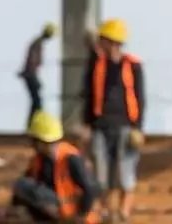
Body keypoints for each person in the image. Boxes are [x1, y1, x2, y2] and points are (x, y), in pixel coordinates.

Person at [81, 19, 146, 223]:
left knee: (125, 171)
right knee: (101, 174)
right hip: (100, 127)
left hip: (126, 127)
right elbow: (89, 95)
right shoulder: (95, 64)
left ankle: (124, 212)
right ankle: (106, 211)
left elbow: (140, 97)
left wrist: (138, 127)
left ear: (113, 42)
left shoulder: (132, 65)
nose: (100, 43)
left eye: (103, 39)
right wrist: (87, 125)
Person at [10, 110, 100, 223]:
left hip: (74, 215)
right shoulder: (39, 159)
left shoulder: (70, 158)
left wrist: (80, 216)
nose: (33, 145)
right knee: (23, 185)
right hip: (59, 210)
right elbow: (28, 183)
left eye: (35, 141)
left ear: (42, 141)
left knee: (24, 185)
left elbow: (91, 189)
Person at [18, 22, 57, 128]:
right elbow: (32, 62)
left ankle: (33, 123)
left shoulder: (37, 42)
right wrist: (33, 77)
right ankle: (34, 124)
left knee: (36, 100)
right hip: (31, 74)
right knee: (37, 101)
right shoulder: (37, 44)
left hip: (31, 74)